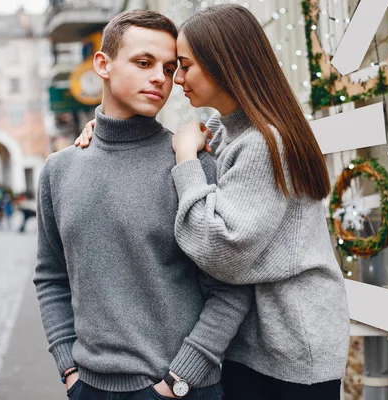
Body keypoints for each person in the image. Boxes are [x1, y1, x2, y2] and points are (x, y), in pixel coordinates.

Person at [76, 4, 350, 400]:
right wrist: (104, 132)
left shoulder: (264, 142)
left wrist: (186, 160)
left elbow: (221, 251)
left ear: (225, 64)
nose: (176, 78)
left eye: (183, 66)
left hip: (289, 354)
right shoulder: (224, 129)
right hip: (249, 347)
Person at [36, 9, 251, 400]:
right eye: (143, 62)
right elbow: (51, 277)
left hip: (179, 389)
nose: (159, 78)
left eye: (170, 68)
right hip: (88, 387)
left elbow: (232, 287)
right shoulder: (59, 170)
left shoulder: (192, 163)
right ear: (102, 64)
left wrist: (176, 382)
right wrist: (68, 367)